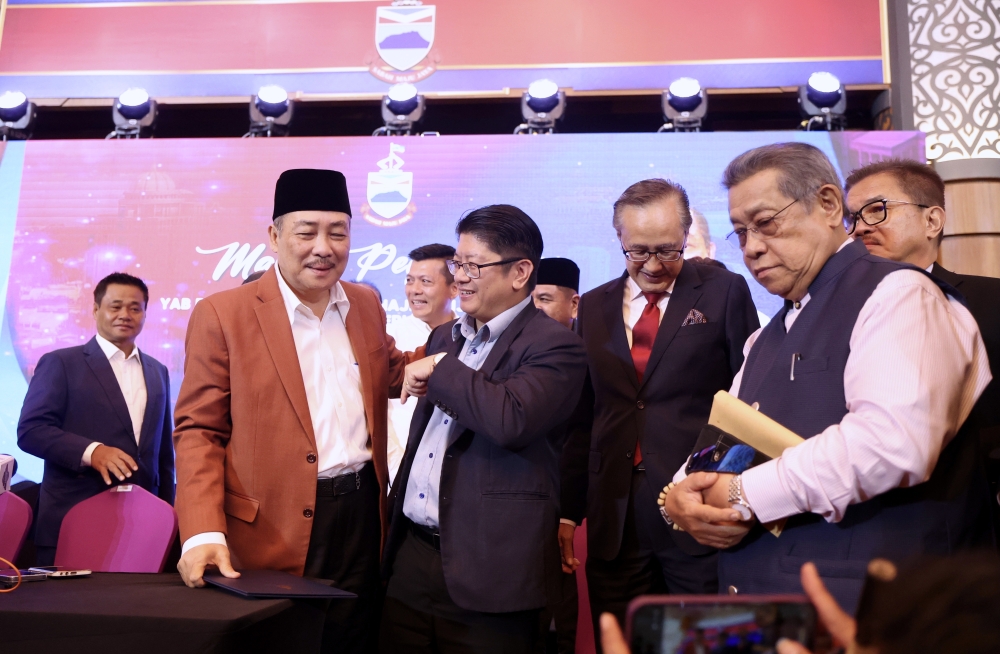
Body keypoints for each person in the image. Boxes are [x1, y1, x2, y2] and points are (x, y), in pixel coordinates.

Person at [662, 143, 991, 612]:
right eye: (740, 232)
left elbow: (890, 444)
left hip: (873, 608)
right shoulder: (763, 338)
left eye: (766, 222)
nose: (752, 247)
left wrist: (742, 494)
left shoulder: (898, 292)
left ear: (829, 205)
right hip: (768, 607)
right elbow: (719, 447)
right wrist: (678, 500)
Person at [173, 169, 417, 653]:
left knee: (353, 637)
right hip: (271, 527)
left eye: (337, 232)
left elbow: (390, 373)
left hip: (364, 515)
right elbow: (199, 429)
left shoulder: (365, 303)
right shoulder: (224, 313)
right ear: (274, 235)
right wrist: (200, 530)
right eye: (306, 232)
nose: (323, 247)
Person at [560, 178, 759, 649]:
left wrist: (727, 490)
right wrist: (569, 513)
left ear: (687, 234)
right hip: (615, 513)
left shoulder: (723, 291)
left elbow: (749, 398)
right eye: (638, 252)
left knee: (705, 641)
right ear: (620, 241)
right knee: (624, 639)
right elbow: (583, 417)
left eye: (668, 251)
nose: (652, 265)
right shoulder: (593, 306)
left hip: (697, 505)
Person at [380, 205, 588, 653]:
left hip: (492, 570)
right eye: (458, 265)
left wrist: (439, 367)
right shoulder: (445, 336)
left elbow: (510, 419)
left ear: (520, 273)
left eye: (473, 265)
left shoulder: (557, 347)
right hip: (412, 559)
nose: (460, 278)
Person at [845, 159, 1000, 545]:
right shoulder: (841, 313)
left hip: (978, 527)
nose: (861, 226)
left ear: (932, 221)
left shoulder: (991, 299)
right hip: (863, 529)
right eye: (852, 217)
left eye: (877, 209)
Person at [17, 272, 174, 566]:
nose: (125, 315)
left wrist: (169, 513)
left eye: (135, 308)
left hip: (144, 526)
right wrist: (93, 452)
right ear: (95, 309)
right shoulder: (61, 362)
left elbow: (163, 454)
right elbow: (31, 431)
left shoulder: (158, 371)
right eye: (115, 306)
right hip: (73, 518)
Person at [532, 256, 583, 653]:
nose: (536, 309)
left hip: (569, 511)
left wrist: (568, 513)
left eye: (546, 299)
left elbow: (583, 439)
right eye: (530, 299)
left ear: (574, 305)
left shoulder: (589, 359)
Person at [386, 243, 458, 484]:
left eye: (425, 282)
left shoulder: (471, 338)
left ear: (455, 288)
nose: (414, 290)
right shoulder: (388, 337)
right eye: (409, 280)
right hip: (398, 471)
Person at [532, 257, 581, 329]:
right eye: (529, 300)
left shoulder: (592, 338)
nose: (533, 307)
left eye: (543, 299)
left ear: (574, 305)